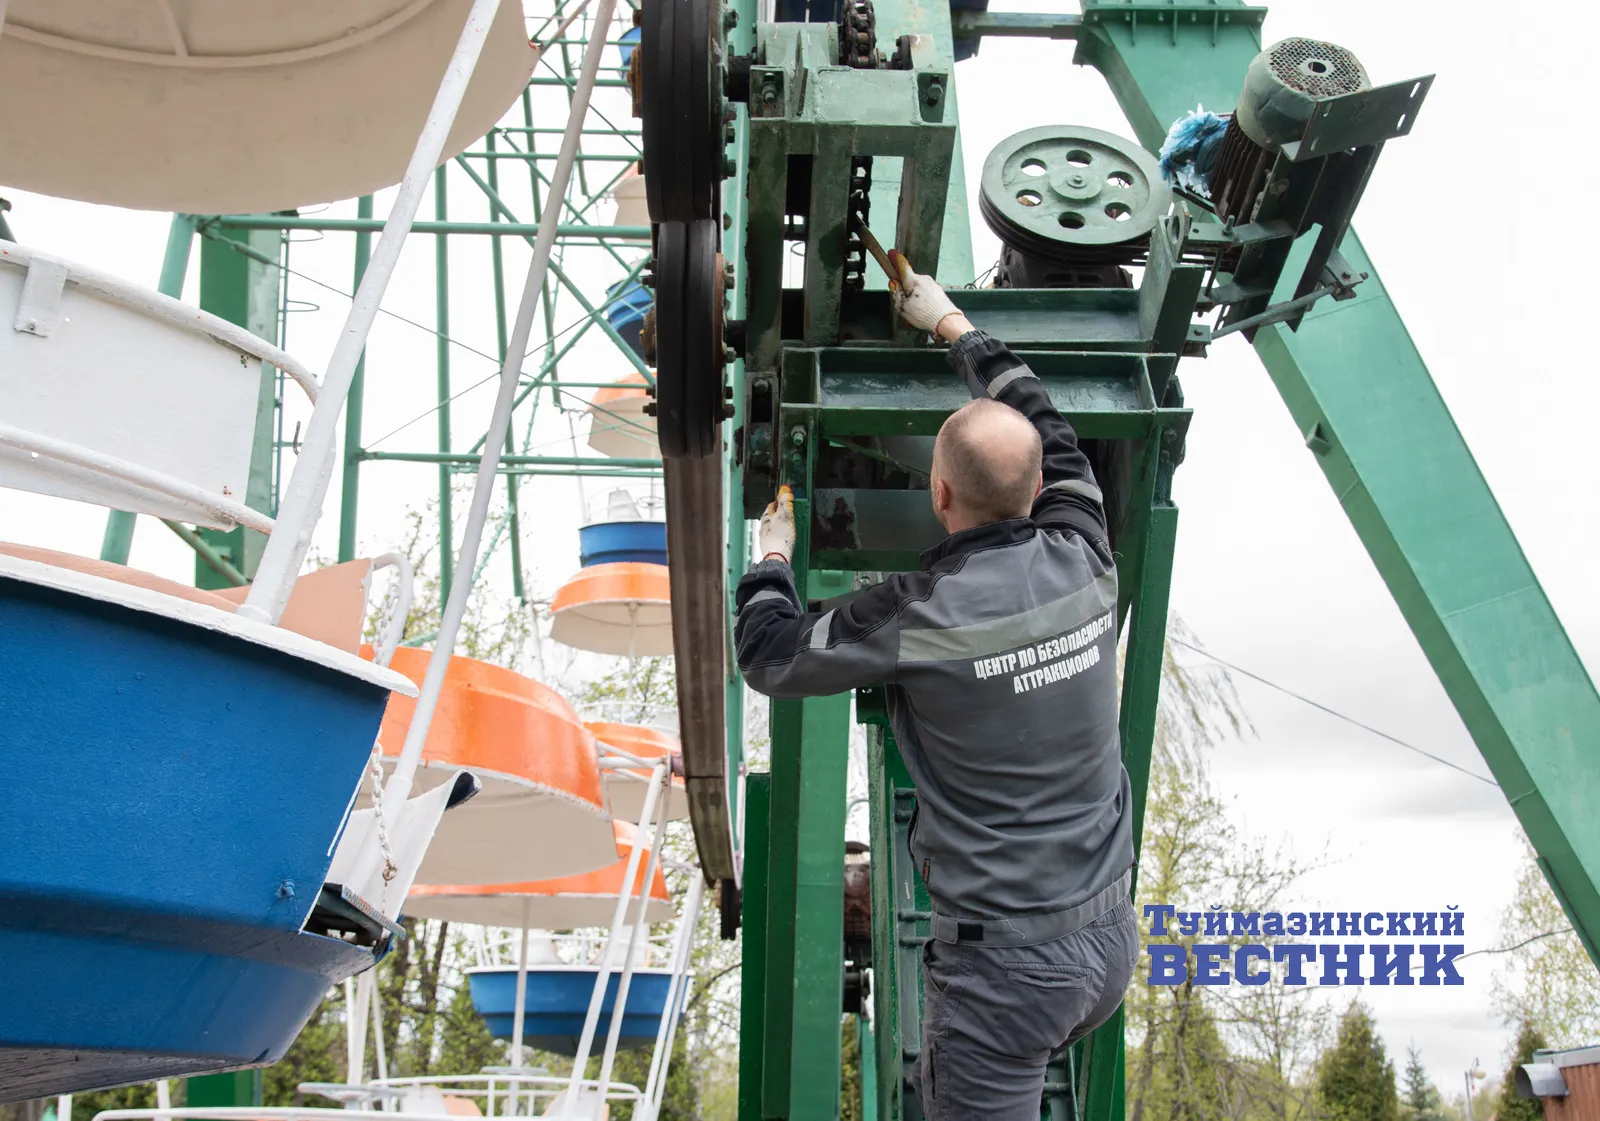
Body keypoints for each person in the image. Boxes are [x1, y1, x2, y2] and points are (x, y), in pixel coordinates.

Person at [732, 252, 1139, 1120]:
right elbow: (1044, 417)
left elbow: (770, 653)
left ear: (938, 489)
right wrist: (953, 324)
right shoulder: (1087, 549)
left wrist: (770, 553)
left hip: (1006, 977)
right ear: (1040, 487)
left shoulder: (917, 614)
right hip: (1106, 942)